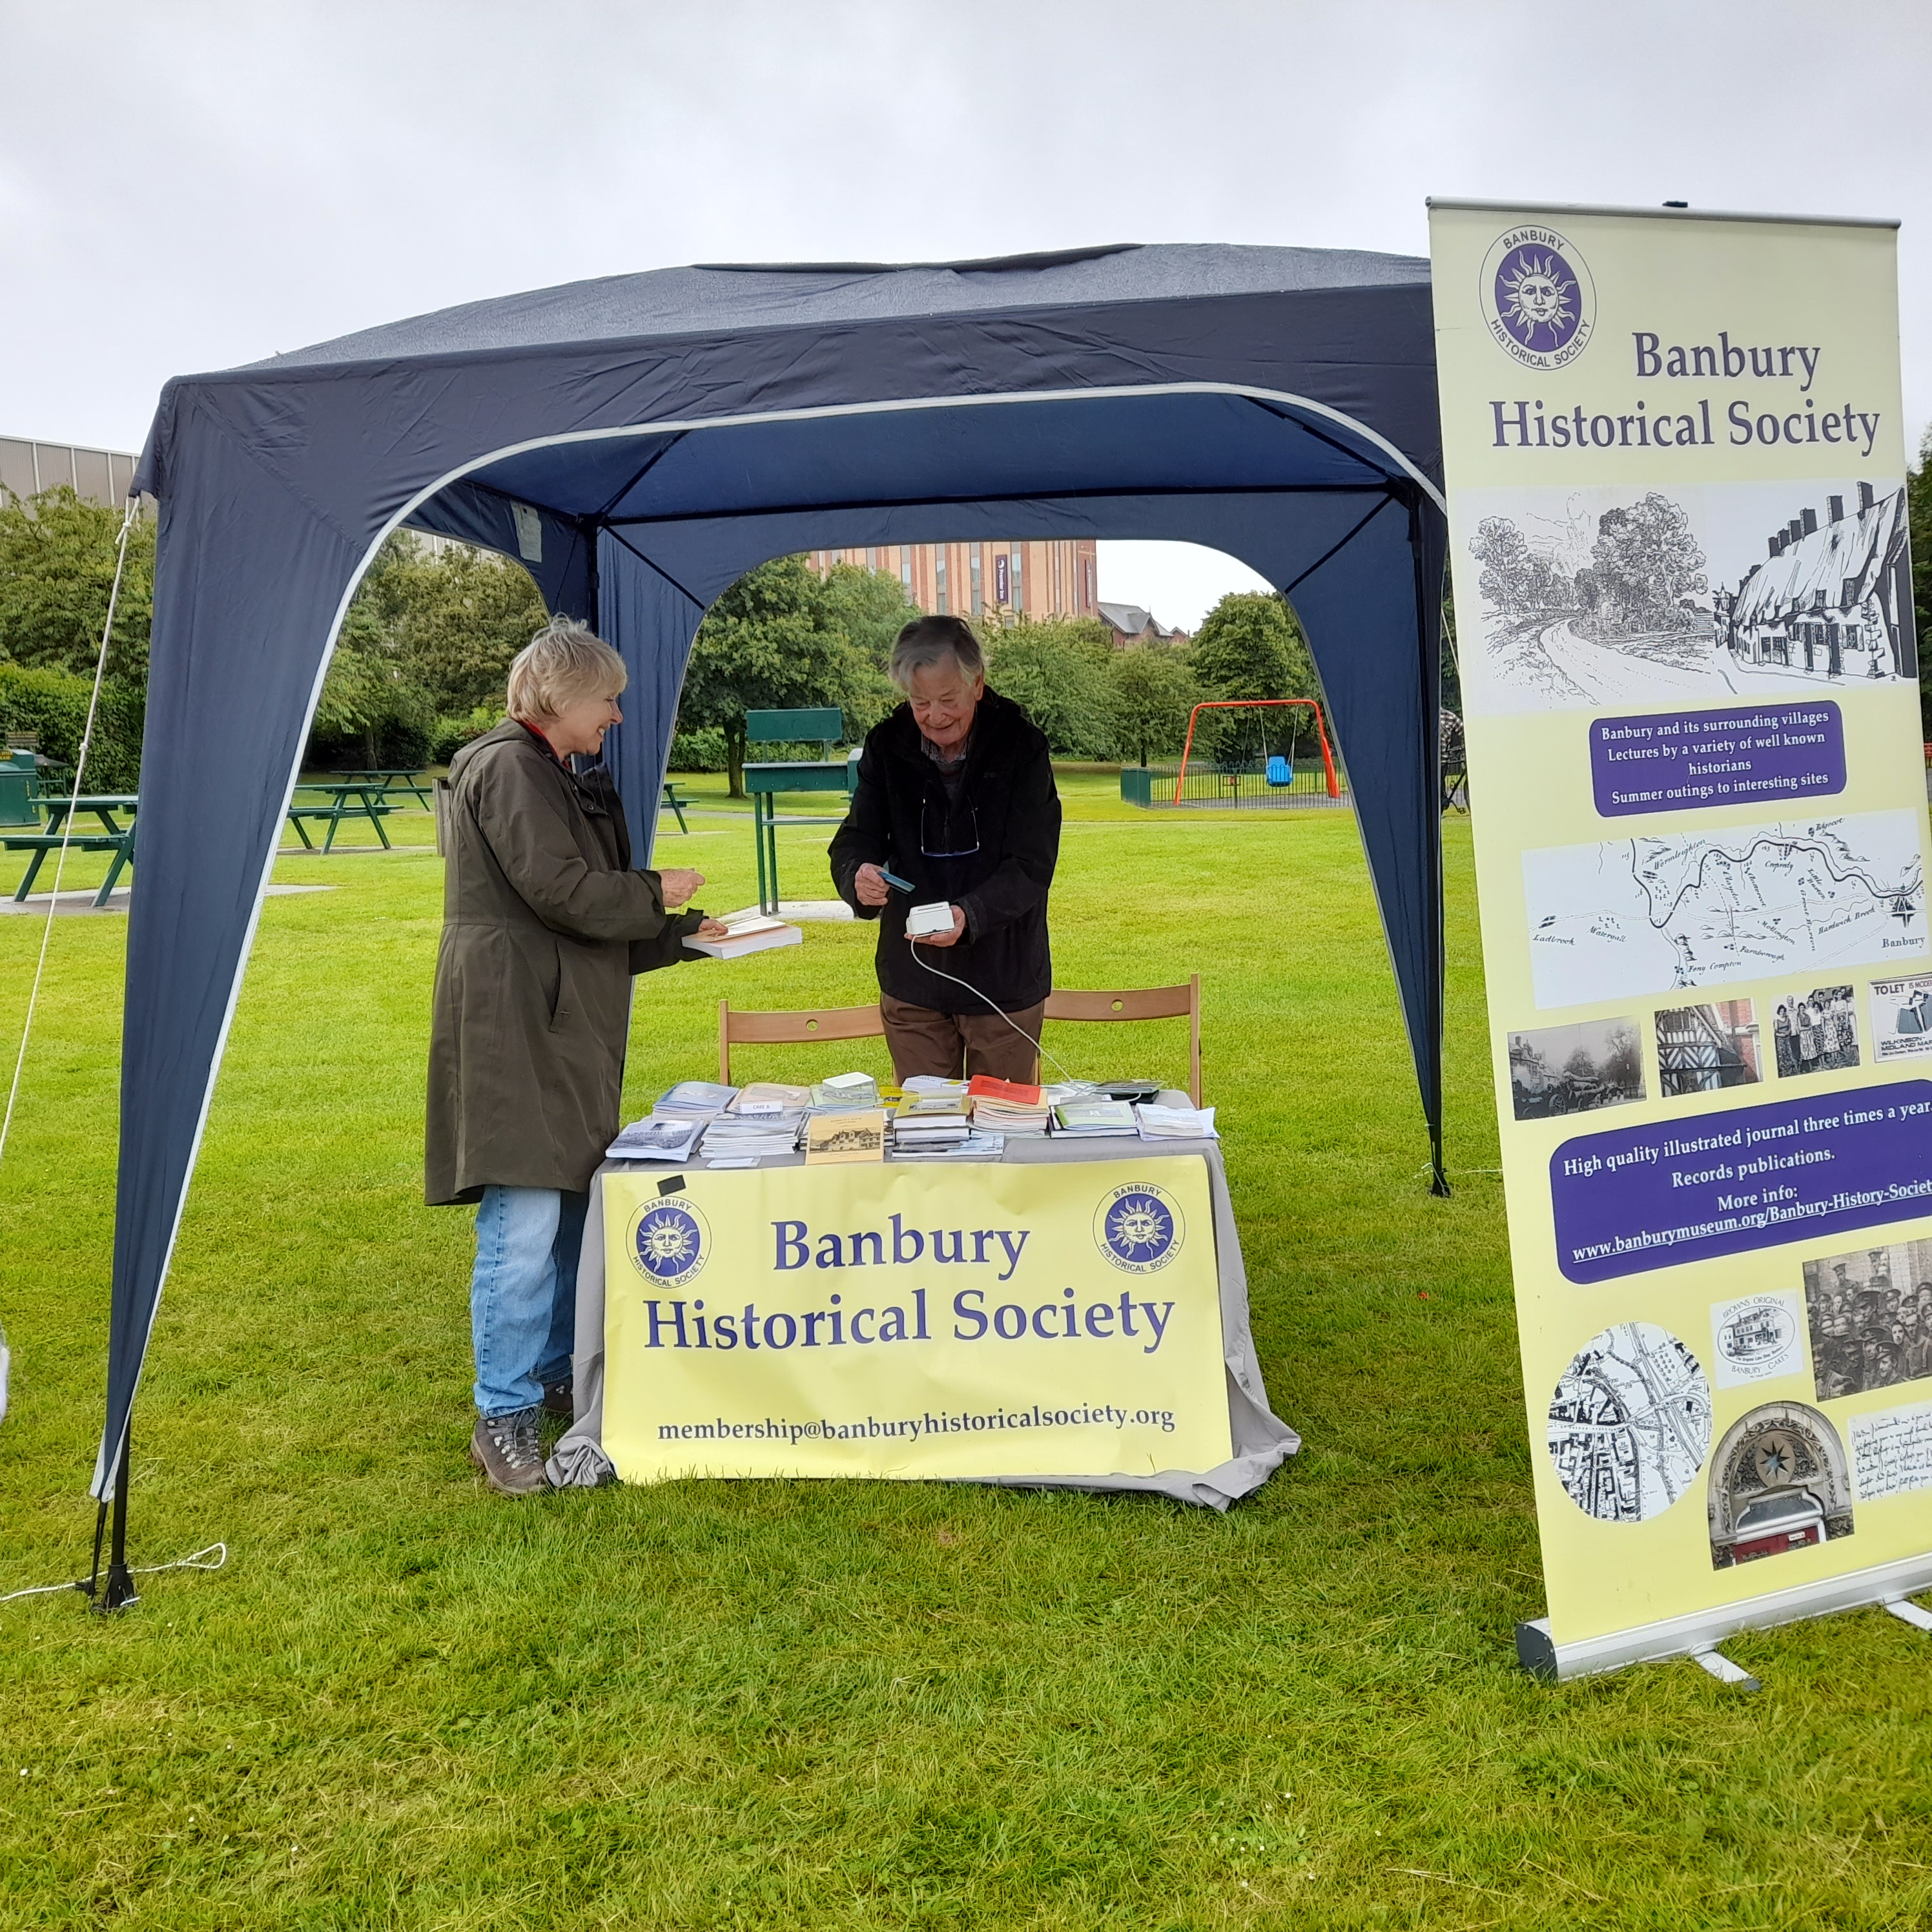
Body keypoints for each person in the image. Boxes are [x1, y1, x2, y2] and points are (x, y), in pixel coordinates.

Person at [426, 617, 726, 1497]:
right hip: (516, 1023)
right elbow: (561, 893)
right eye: (609, 699)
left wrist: (682, 937)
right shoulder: (511, 767)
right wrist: (652, 891)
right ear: (560, 696)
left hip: (551, 1020)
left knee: (561, 1207)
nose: (618, 716)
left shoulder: (547, 770)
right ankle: (504, 1412)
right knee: (524, 1218)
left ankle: (553, 1374)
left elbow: (579, 916)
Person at [829, 614, 1060, 1084]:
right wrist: (858, 874)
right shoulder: (887, 744)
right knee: (924, 1130)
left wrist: (969, 915)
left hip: (1004, 978)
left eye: (948, 700)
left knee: (1003, 1129)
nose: (935, 716)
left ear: (978, 685)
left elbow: (1032, 864)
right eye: (920, 703)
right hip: (913, 980)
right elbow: (856, 838)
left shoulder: (1023, 747)